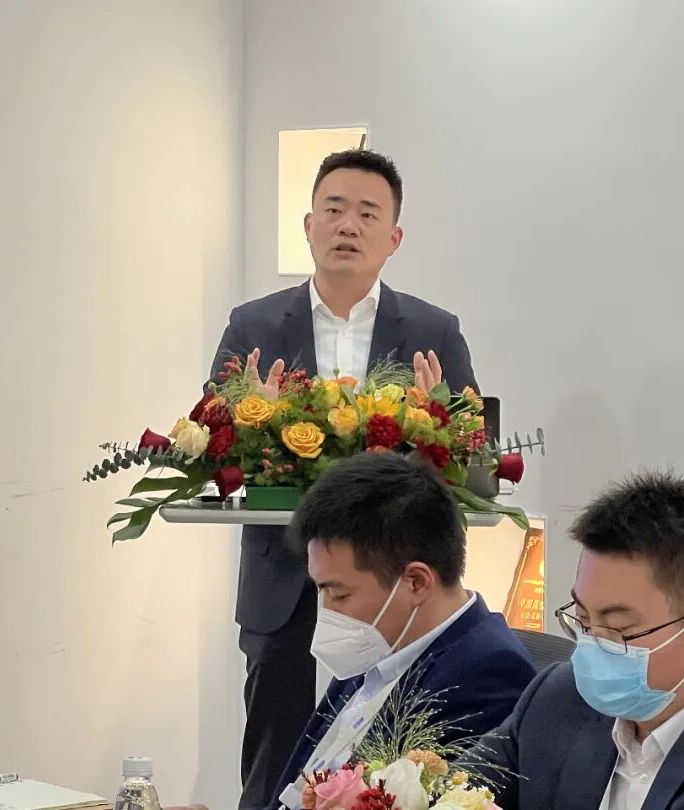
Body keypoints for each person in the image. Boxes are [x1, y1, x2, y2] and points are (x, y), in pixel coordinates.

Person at [205, 148, 480, 810]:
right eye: (333, 209)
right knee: (272, 758)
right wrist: (251, 418)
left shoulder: (434, 330)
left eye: (367, 213)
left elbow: (473, 450)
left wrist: (437, 419)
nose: (347, 225)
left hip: (393, 579)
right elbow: (214, 445)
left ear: (394, 237)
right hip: (283, 578)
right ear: (309, 225)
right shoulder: (254, 324)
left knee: (390, 753)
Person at [166, 452, 535, 810]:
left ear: (416, 582)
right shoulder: (384, 645)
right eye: (320, 591)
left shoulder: (488, 677)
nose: (326, 612)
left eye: (339, 594)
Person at [475, 471, 684, 809]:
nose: (592, 646)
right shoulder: (557, 699)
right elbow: (452, 793)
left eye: (618, 629)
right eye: (583, 620)